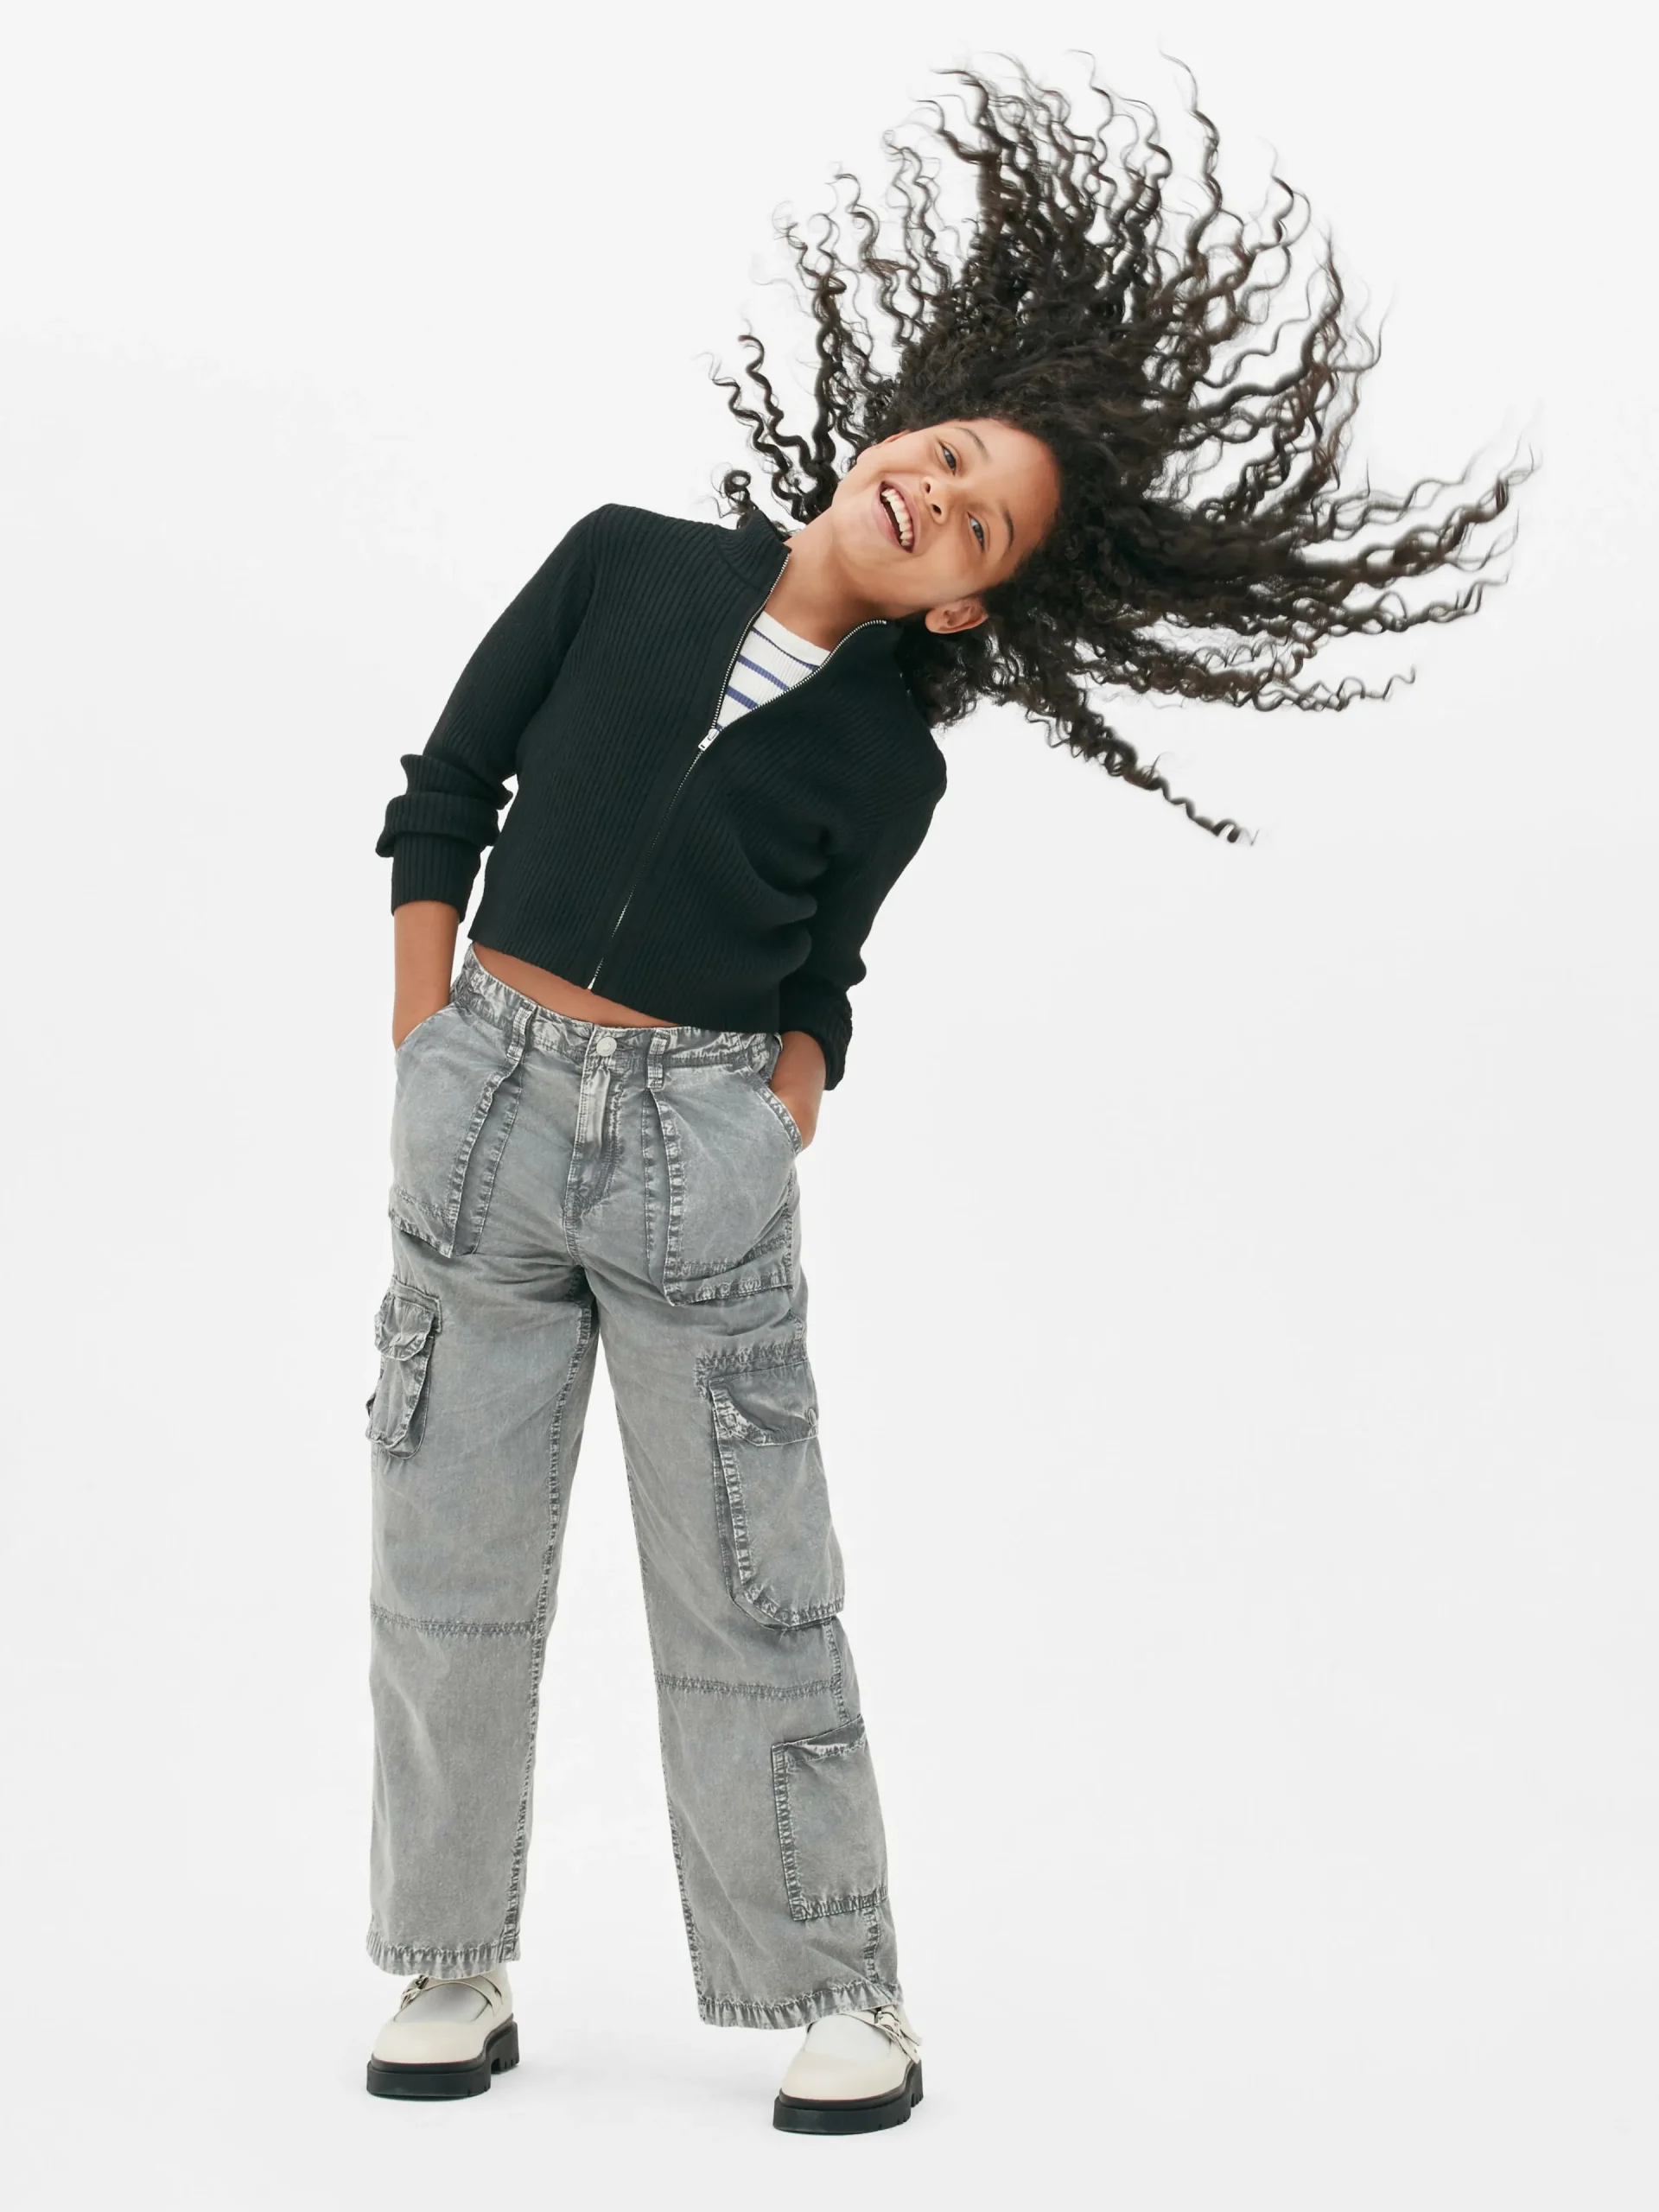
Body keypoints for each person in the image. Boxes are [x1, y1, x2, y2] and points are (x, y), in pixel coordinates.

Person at [360, 56, 1530, 2133]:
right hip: (481, 1116)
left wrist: (786, 1097)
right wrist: (425, 1040)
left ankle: (846, 1988)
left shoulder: (890, 761)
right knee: (446, 1565)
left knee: (752, 1582)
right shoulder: (624, 560)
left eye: (978, 527)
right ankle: (448, 1959)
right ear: (895, 425)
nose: (941, 497)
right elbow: (449, 789)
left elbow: (824, 972)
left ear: (966, 599)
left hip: (699, 1154)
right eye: (951, 457)